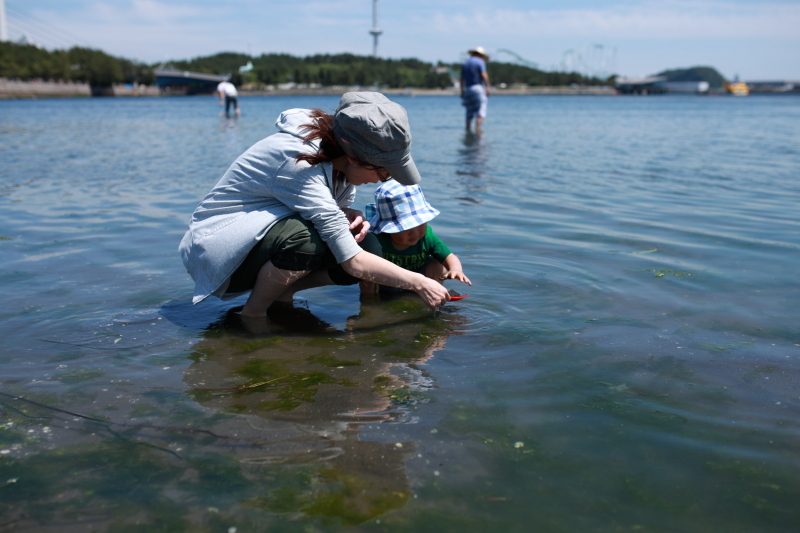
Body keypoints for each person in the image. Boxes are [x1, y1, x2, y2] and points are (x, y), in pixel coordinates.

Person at [179, 92, 451, 319]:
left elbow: (331, 219)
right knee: (307, 240)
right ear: (355, 157)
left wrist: (348, 213)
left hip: (260, 237)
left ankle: (284, 293)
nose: (383, 180)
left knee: (367, 244)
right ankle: (253, 314)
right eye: (383, 172)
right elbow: (353, 262)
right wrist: (419, 282)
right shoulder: (299, 162)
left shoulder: (340, 161)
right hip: (219, 252)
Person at [360, 181, 471, 295]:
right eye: (406, 227)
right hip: (386, 280)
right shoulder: (378, 239)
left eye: (420, 224)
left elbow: (449, 257)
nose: (415, 232)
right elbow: (361, 260)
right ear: (389, 229)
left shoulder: (427, 237)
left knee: (438, 266)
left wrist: (456, 270)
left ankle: (432, 294)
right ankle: (370, 303)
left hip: (420, 280)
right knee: (367, 275)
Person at [460, 46, 490, 133]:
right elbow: (484, 75)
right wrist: (488, 87)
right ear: (481, 55)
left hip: (467, 89)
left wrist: (462, 91)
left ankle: (467, 129)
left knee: (469, 111)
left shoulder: (465, 63)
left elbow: (462, 78)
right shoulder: (480, 61)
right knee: (481, 110)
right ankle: (478, 129)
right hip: (477, 89)